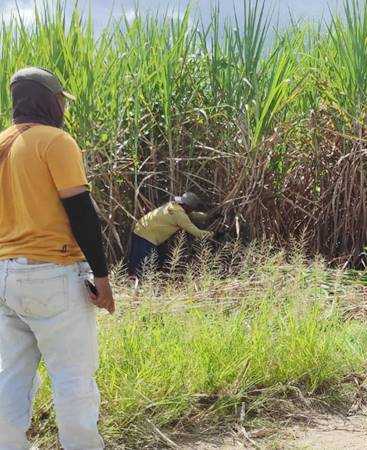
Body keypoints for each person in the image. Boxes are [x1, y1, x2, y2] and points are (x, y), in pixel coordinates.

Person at [0, 67, 113, 449]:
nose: (63, 108)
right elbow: (81, 211)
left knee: (10, 378)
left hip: (4, 277)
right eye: (61, 101)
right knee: (73, 379)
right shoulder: (56, 141)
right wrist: (102, 276)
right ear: (49, 101)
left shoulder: (1, 143)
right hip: (52, 273)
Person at [128, 192, 213, 277]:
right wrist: (213, 234)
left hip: (141, 229)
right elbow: (198, 233)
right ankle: (138, 283)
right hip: (146, 236)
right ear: (188, 207)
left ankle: (142, 280)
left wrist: (208, 217)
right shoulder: (179, 216)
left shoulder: (173, 205)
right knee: (142, 265)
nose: (192, 210)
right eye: (192, 208)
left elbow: (192, 215)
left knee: (150, 261)